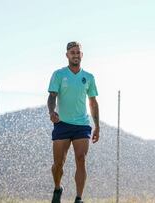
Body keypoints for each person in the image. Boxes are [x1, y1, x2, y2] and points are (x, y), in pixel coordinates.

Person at [47, 41, 100, 203]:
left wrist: (97, 126)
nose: (75, 55)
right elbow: (52, 96)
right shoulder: (58, 74)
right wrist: (51, 111)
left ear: (81, 55)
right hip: (62, 124)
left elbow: (93, 102)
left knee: (81, 158)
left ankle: (79, 198)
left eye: (78, 52)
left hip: (82, 126)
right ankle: (58, 188)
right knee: (58, 165)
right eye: (72, 52)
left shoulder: (89, 77)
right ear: (67, 55)